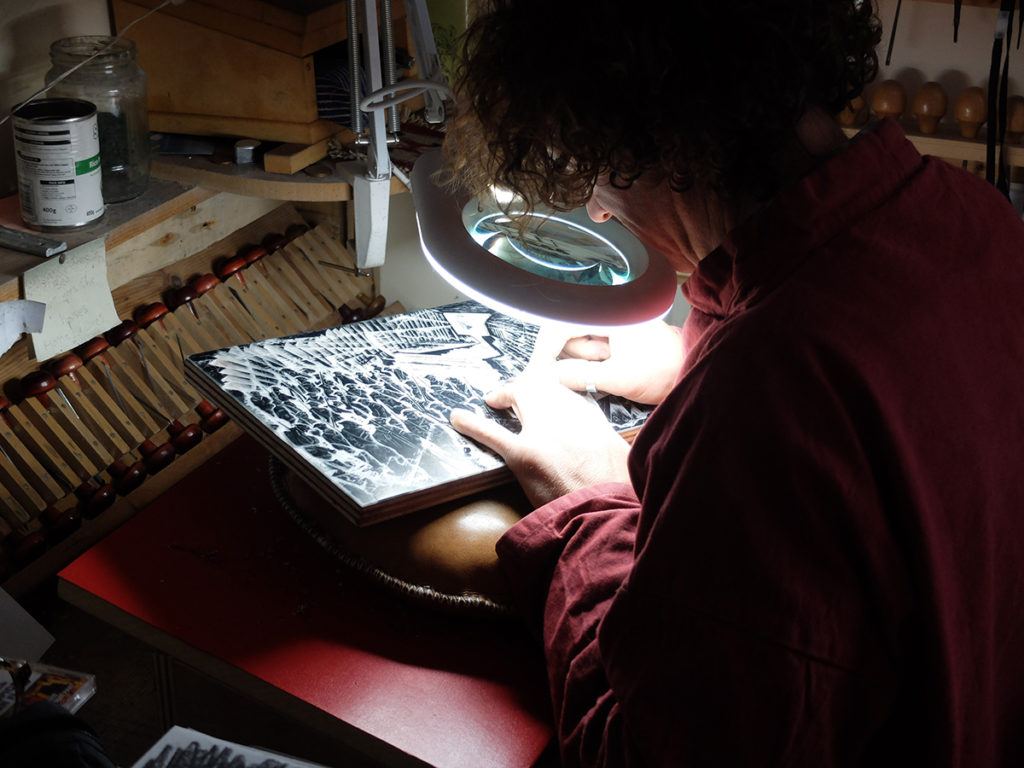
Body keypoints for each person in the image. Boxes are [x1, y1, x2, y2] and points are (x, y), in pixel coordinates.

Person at [442, 1, 1024, 766]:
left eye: (598, 169)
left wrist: (588, 499)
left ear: (657, 141)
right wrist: (699, 357)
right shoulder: (970, 215)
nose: (595, 206)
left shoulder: (768, 390)